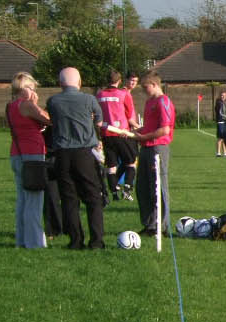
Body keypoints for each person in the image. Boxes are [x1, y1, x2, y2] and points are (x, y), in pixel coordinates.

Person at [45, 66, 107, 249]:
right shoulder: (89, 99)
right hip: (84, 153)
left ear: (60, 83)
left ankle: (75, 240)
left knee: (69, 199)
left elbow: (53, 122)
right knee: (93, 198)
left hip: (62, 154)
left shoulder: (53, 101)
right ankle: (96, 241)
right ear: (79, 82)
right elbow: (99, 122)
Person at [6, 72, 50, 249]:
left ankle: (22, 240)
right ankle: (35, 242)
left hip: (16, 153)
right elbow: (49, 119)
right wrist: (35, 103)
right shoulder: (27, 106)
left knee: (23, 199)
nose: (34, 92)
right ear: (25, 89)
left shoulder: (11, 106)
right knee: (34, 200)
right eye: (32, 88)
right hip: (32, 154)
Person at [133, 73, 175, 237]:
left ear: (154, 84)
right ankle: (149, 224)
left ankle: (162, 226)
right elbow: (148, 127)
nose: (144, 91)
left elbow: (164, 129)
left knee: (158, 186)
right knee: (143, 187)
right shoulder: (149, 102)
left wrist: (143, 137)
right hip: (145, 148)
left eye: (145, 88)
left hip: (158, 148)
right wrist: (133, 133)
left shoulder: (163, 101)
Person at [96, 70, 139, 201]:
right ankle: (127, 188)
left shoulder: (99, 95)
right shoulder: (123, 94)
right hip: (122, 133)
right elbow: (129, 115)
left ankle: (114, 192)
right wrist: (139, 129)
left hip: (106, 133)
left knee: (111, 165)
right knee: (131, 162)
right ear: (120, 81)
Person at [214, 90, 226, 157]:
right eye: (221, 95)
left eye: (224, 95)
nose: (223, 97)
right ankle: (218, 152)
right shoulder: (219, 103)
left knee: (225, 138)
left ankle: (225, 152)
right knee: (220, 138)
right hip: (220, 122)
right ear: (220, 96)